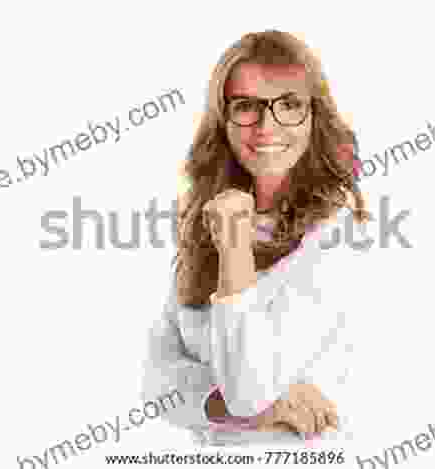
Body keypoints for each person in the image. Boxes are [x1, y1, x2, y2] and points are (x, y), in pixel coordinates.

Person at [140, 29, 372, 446]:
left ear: (314, 116)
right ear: (223, 119)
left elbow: (246, 392)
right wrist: (237, 404)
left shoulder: (342, 231)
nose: (267, 126)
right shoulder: (205, 220)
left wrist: (233, 252)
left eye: (289, 105)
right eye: (246, 106)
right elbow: (156, 385)